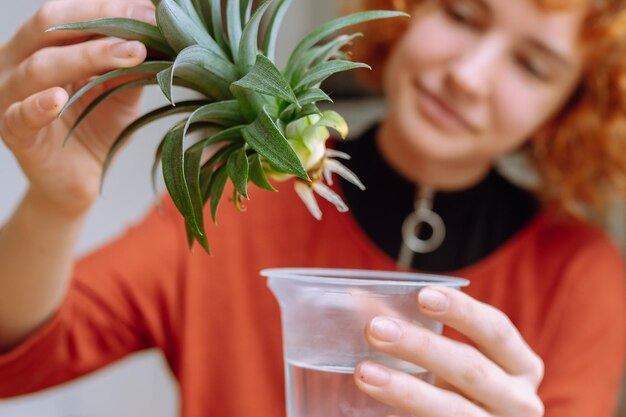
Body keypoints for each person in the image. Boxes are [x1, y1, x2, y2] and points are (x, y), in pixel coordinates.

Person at [0, 0, 625, 416]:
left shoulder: (582, 278)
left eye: (532, 66)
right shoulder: (236, 205)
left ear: (573, 107)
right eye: (462, 14)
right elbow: (17, 360)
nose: (469, 73)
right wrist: (56, 205)